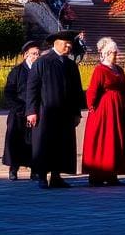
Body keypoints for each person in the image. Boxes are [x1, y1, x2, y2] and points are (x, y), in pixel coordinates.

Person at [26, 30, 86, 189]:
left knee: (62, 145)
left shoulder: (70, 64)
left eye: (70, 43)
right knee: (44, 144)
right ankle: (42, 177)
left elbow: (76, 90)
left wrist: (76, 112)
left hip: (65, 113)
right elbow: (32, 88)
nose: (69, 45)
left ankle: (56, 176)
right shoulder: (43, 62)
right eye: (65, 42)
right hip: (45, 112)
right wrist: (31, 111)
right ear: (56, 43)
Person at [83, 37, 125, 186]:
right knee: (104, 140)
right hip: (104, 110)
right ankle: (97, 175)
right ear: (107, 53)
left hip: (118, 110)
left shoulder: (119, 69)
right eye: (114, 53)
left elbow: (124, 89)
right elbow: (93, 90)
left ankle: (113, 173)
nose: (116, 55)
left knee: (116, 140)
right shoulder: (100, 70)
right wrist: (92, 106)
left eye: (116, 53)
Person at [2, 40, 41, 181]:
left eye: (38, 54)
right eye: (33, 54)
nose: (36, 56)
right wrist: (21, 109)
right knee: (15, 141)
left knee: (34, 142)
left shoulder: (41, 70)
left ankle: (34, 169)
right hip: (18, 113)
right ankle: (13, 169)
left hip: (35, 113)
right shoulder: (17, 71)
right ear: (26, 55)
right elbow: (9, 93)